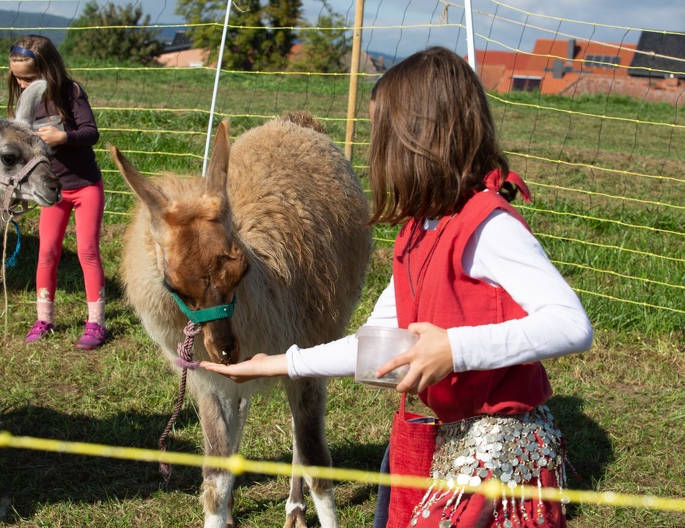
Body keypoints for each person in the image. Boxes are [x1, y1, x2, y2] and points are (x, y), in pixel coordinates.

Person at [200, 46, 593, 528]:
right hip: (442, 438)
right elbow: (372, 348)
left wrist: (454, 349)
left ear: (422, 141)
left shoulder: (489, 227)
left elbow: (571, 325)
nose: (372, 155)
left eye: (382, 138)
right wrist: (279, 363)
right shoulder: (417, 234)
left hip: (499, 455)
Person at [8, 35, 108, 350]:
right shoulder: (25, 101)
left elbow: (91, 132)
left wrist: (63, 137)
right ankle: (44, 319)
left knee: (87, 252)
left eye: (29, 78)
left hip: (85, 187)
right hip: (52, 192)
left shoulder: (70, 93)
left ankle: (96, 323)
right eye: (17, 77)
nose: (22, 83)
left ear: (48, 71)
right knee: (47, 253)